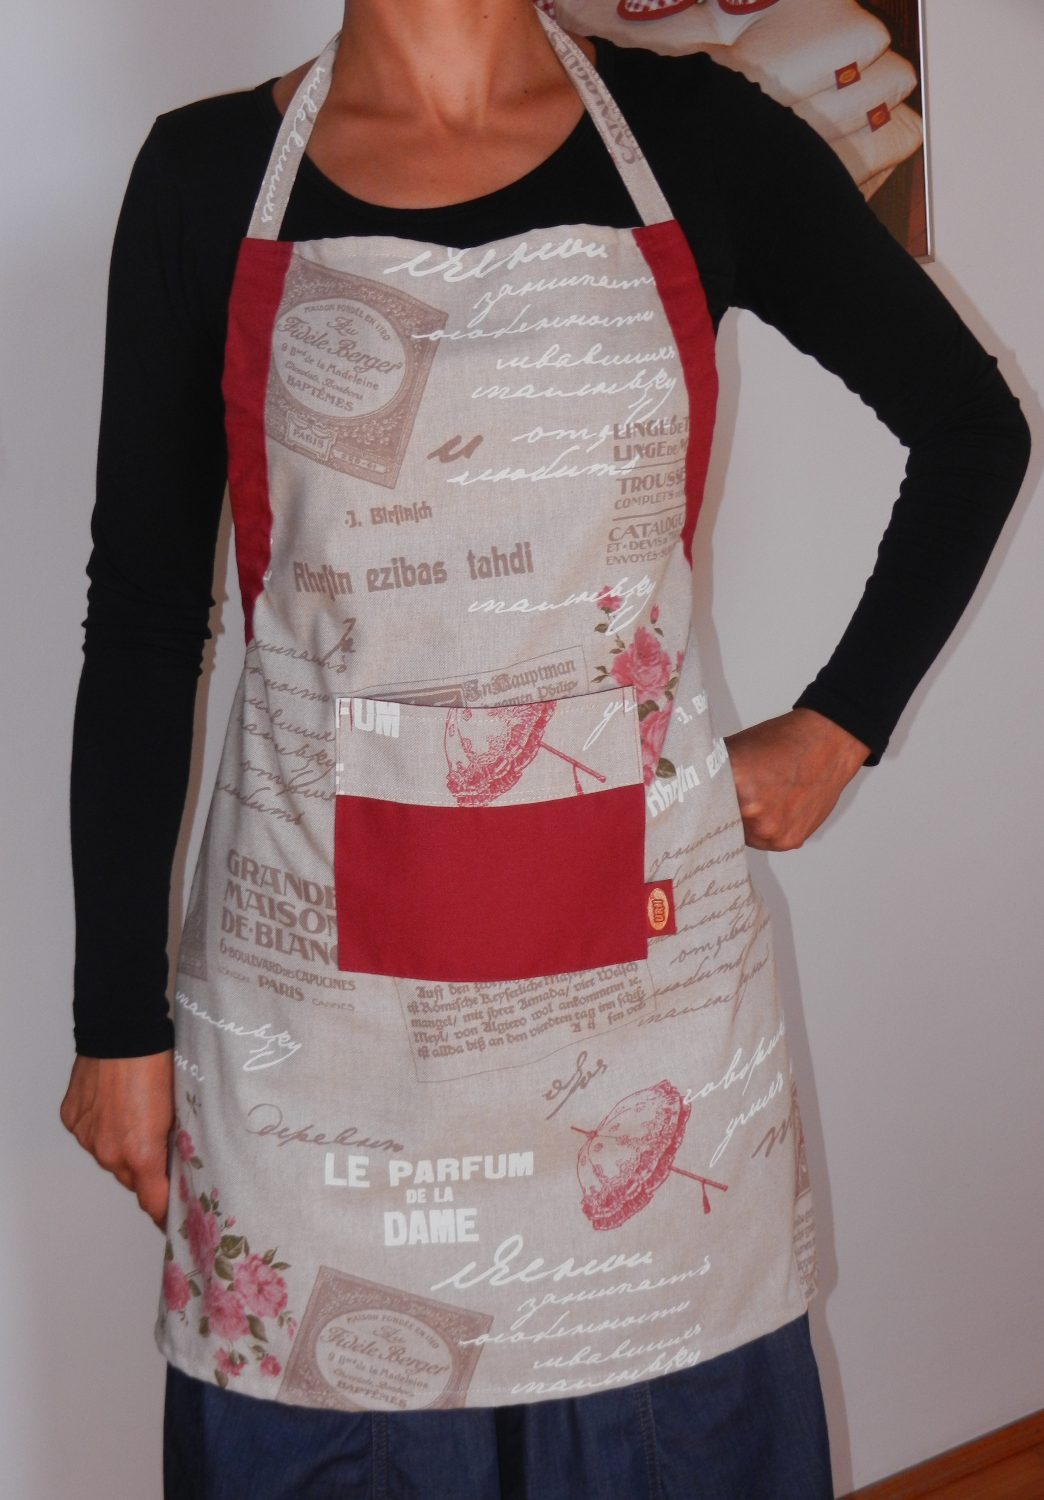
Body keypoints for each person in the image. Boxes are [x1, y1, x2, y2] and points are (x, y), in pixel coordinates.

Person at [60, 2, 1030, 1496]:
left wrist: (840, 727)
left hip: (644, 1025)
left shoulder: (702, 138)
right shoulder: (205, 177)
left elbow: (972, 427)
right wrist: (116, 1021)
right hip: (320, 1048)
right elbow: (140, 619)